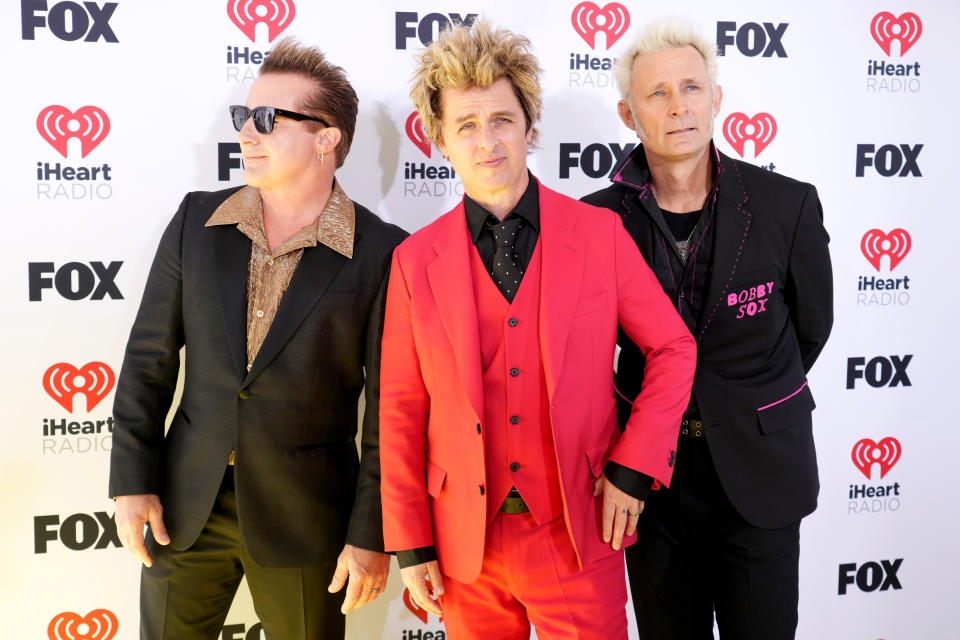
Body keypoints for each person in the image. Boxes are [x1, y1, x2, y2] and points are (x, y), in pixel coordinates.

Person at [379, 20, 696, 640]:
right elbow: (398, 410)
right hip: (465, 546)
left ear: (529, 127)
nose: (487, 140)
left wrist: (634, 467)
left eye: (501, 119)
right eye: (465, 125)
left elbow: (673, 346)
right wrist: (411, 543)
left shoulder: (598, 235)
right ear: (439, 139)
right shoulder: (413, 262)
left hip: (577, 532)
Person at [108, 37, 406, 639]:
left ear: (327, 138)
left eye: (269, 119)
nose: (248, 132)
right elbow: (148, 361)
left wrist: (371, 533)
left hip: (306, 519)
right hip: (185, 507)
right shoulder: (197, 221)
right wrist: (132, 481)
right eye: (244, 117)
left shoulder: (383, 252)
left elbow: (389, 412)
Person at [582, 18, 833, 640]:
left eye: (691, 87)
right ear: (628, 113)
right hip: (649, 482)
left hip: (761, 470)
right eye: (657, 94)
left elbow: (811, 329)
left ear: (716, 99)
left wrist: (746, 401)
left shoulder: (787, 204)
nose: (678, 107)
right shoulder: (594, 222)